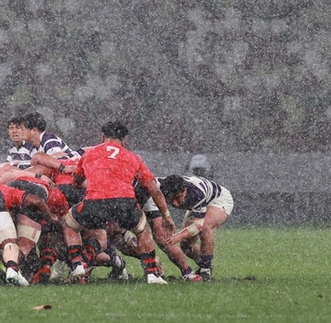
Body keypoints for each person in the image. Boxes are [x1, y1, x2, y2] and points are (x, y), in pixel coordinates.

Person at [62, 121, 174, 284]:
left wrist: (87, 183)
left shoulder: (89, 154)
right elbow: (154, 189)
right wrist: (166, 215)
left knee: (70, 224)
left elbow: (76, 181)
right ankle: (152, 274)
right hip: (124, 202)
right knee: (142, 231)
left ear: (102, 137)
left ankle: (78, 263)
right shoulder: (132, 157)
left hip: (95, 202)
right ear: (124, 141)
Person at [159, 173, 234, 281]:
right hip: (199, 203)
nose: (174, 203)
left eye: (177, 197)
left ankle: (205, 271)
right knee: (185, 245)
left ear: (184, 191)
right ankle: (205, 263)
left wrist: (177, 236)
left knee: (205, 228)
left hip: (219, 199)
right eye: (170, 199)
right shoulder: (163, 186)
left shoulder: (196, 194)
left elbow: (198, 226)